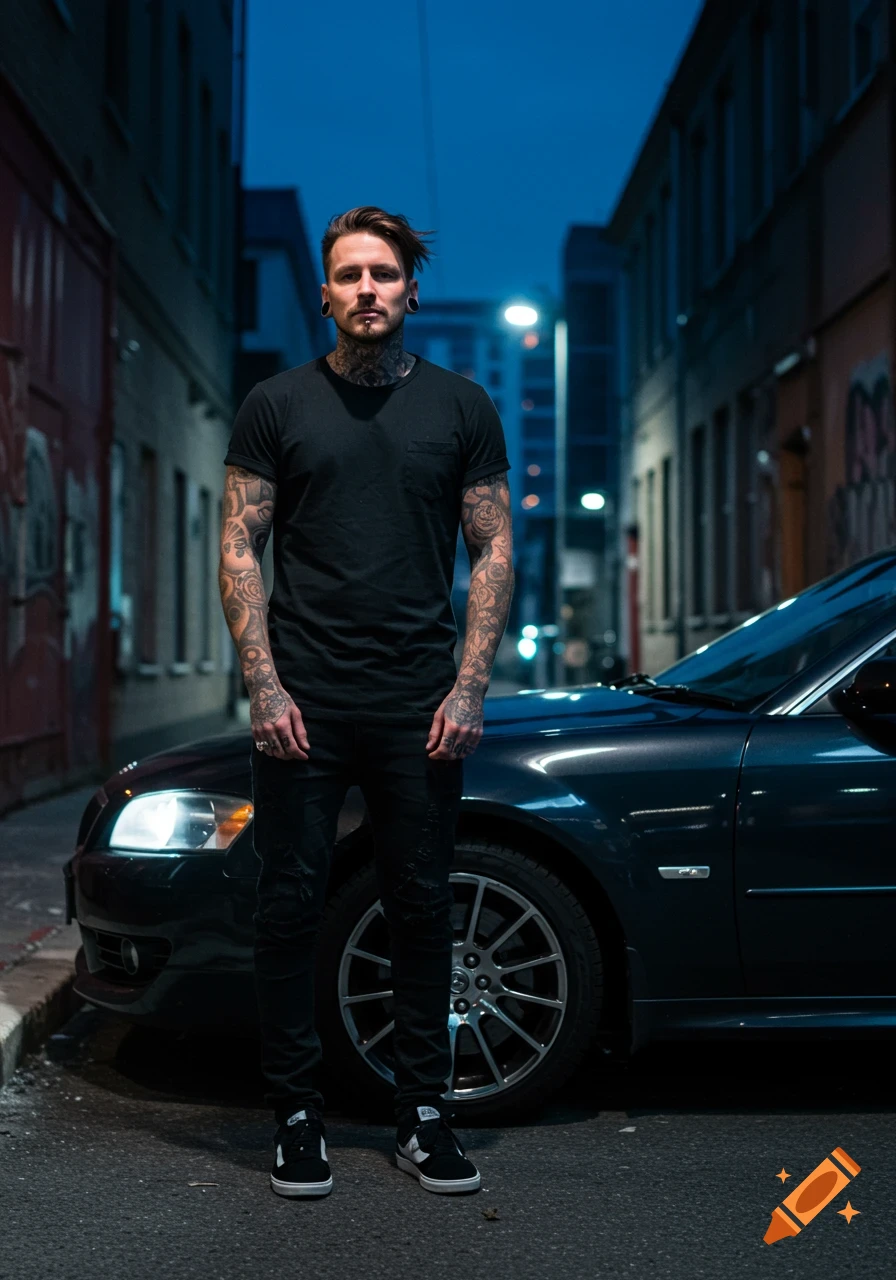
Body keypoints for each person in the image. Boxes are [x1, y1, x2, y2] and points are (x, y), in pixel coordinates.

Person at [219, 205, 514, 1198]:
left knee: (422, 903)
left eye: (382, 274)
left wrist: (470, 686)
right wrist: (262, 685)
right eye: (348, 275)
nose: (366, 291)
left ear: (410, 288)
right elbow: (237, 546)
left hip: (416, 703)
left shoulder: (463, 407)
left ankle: (422, 1109)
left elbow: (494, 549)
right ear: (323, 290)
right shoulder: (276, 404)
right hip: (299, 702)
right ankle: (295, 1112)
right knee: (289, 905)